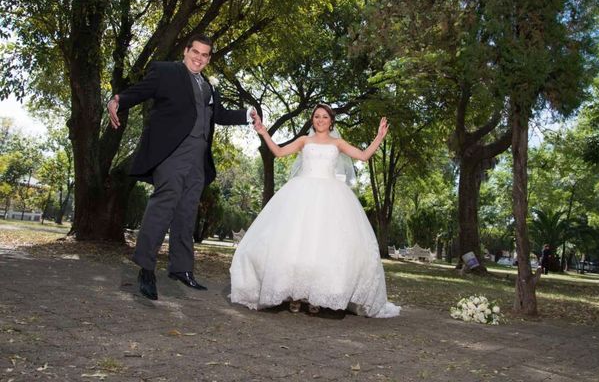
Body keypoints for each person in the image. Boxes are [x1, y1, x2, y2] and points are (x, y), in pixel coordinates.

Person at [107, 34, 256, 300]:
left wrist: (247, 115)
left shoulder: (209, 86)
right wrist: (118, 99)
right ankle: (146, 268)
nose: (199, 58)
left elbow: (218, 115)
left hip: (198, 158)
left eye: (204, 55)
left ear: (209, 59)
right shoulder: (166, 71)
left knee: (187, 212)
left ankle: (181, 269)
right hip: (172, 152)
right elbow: (142, 90)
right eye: (195, 52)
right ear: (186, 51)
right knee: (164, 204)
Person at [230, 103, 400, 318]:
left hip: (331, 198)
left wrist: (379, 137)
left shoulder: (337, 143)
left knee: (323, 248)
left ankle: (316, 297)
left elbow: (363, 156)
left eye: (325, 117)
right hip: (301, 194)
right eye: (316, 116)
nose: (320, 120)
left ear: (331, 121)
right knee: (296, 245)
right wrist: (264, 132)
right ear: (313, 120)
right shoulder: (304, 141)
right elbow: (280, 152)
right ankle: (295, 296)